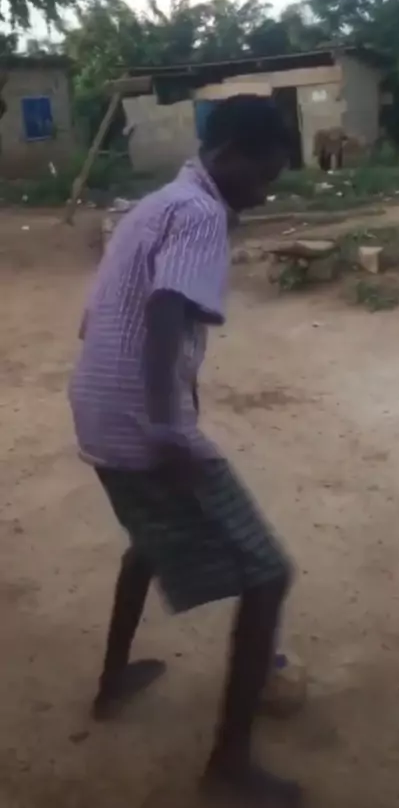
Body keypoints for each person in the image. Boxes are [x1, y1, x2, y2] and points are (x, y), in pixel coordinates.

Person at [69, 95, 301, 806]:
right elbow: (167, 307)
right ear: (228, 154)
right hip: (142, 423)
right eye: (263, 175)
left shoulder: (153, 205)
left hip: (98, 412)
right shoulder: (200, 213)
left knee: (147, 540)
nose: (265, 191)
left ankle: (114, 681)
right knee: (267, 574)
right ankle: (228, 768)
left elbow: (93, 317)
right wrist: (169, 426)